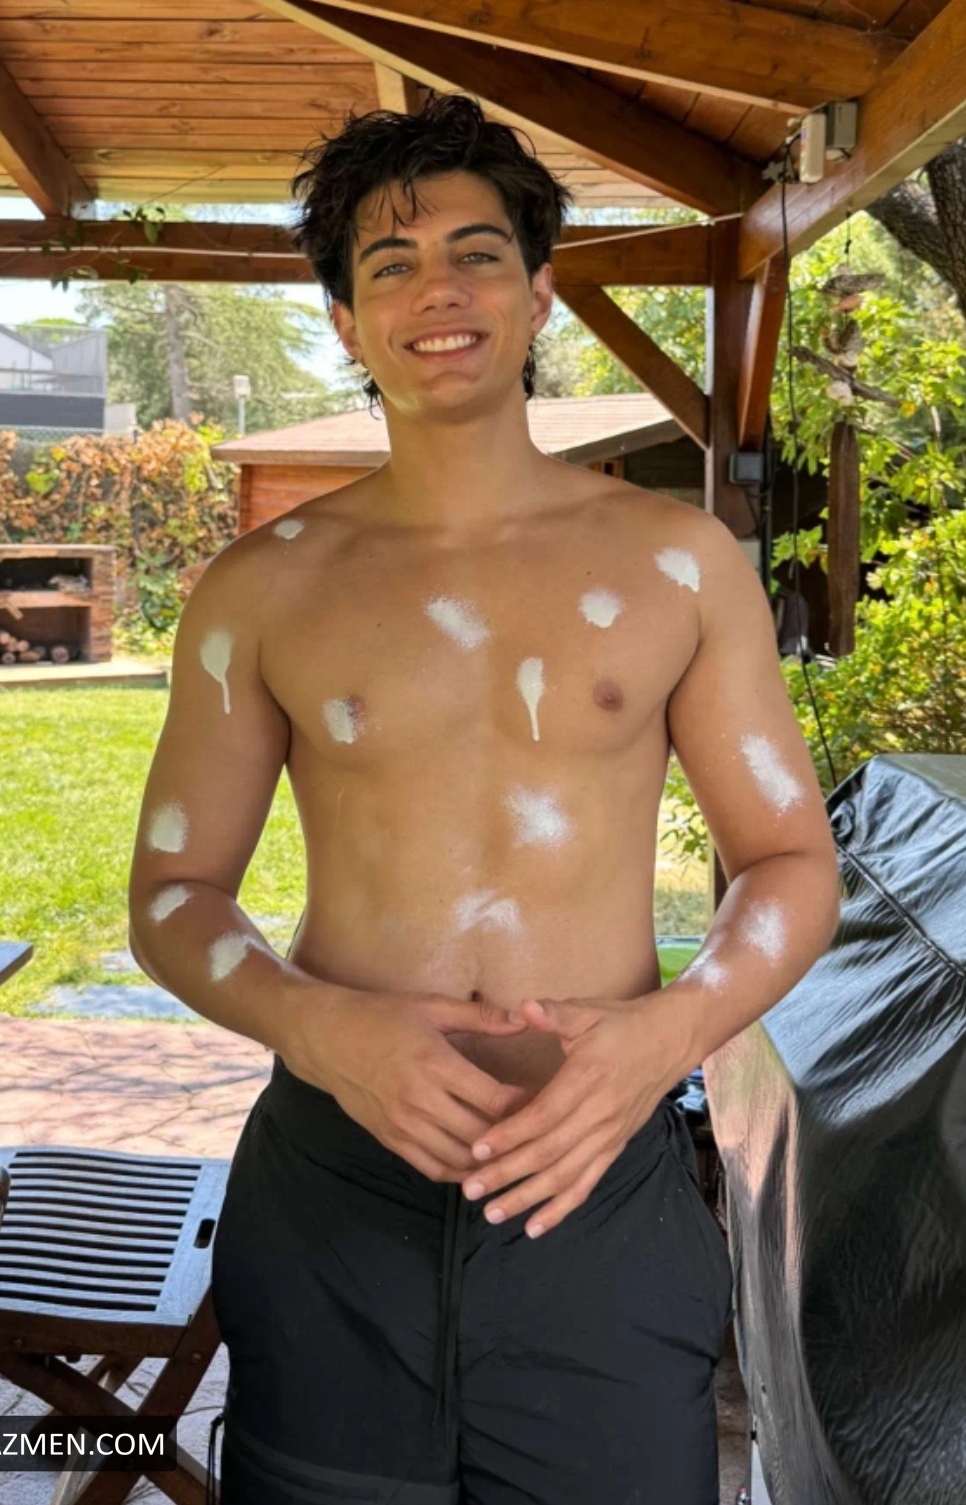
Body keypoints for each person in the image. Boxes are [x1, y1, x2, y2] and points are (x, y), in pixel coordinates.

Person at [127, 96, 841, 1505]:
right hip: (333, 1193)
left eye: (477, 253)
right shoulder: (259, 589)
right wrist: (319, 1026)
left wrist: (671, 1035)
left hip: (599, 1179)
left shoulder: (679, 562)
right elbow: (171, 896)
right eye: (391, 265)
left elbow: (789, 860)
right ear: (345, 321)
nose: (438, 291)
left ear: (539, 293)